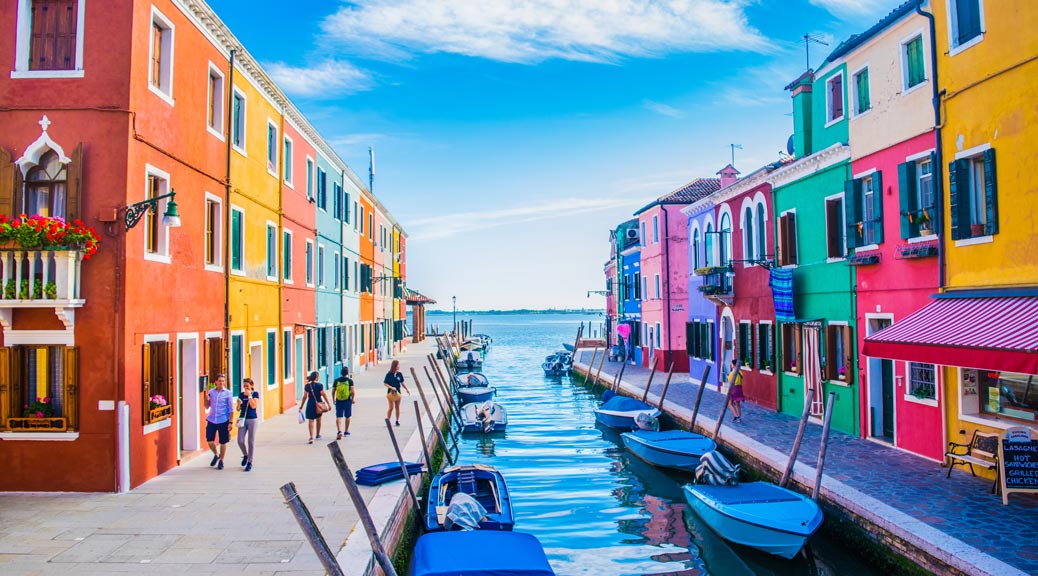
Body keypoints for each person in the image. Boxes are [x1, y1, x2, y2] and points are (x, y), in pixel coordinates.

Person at [204, 374, 234, 470]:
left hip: (223, 420)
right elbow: (207, 407)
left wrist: (230, 422)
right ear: (216, 382)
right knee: (209, 440)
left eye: (223, 381)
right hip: (212, 419)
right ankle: (216, 454)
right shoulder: (211, 392)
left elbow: (231, 409)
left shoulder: (228, 393)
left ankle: (221, 460)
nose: (221, 382)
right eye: (219, 381)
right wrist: (206, 400)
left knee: (223, 442)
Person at [300, 371, 331, 444]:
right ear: (316, 377)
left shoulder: (307, 386)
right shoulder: (320, 385)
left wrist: (301, 406)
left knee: (311, 420)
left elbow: (305, 397)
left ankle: (311, 437)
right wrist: (328, 403)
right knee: (319, 419)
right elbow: (323, 394)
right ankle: (317, 434)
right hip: (319, 404)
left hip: (310, 403)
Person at [236, 378, 259, 471]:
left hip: (252, 419)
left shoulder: (255, 394)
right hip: (242, 419)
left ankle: (250, 462)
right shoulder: (241, 395)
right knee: (240, 440)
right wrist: (238, 404)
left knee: (251, 441)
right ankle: (245, 455)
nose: (245, 388)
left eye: (247, 386)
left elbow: (254, 406)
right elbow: (238, 409)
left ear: (252, 386)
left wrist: (249, 396)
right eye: (244, 386)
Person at [384, 359, 411, 426]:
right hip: (391, 392)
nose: (399, 366)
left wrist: (407, 389)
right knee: (391, 407)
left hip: (398, 392)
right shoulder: (389, 374)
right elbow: (385, 383)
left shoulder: (399, 374)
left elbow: (402, 382)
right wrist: (391, 387)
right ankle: (388, 420)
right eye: (398, 365)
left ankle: (397, 420)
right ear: (394, 366)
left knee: (397, 406)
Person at [332, 367, 355, 440]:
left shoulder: (336, 381)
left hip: (339, 400)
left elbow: (333, 391)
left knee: (339, 416)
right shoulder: (349, 381)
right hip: (347, 400)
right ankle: (346, 431)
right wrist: (352, 399)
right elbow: (353, 391)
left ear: (341, 372)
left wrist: (333, 399)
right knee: (347, 416)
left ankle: (339, 431)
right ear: (347, 373)